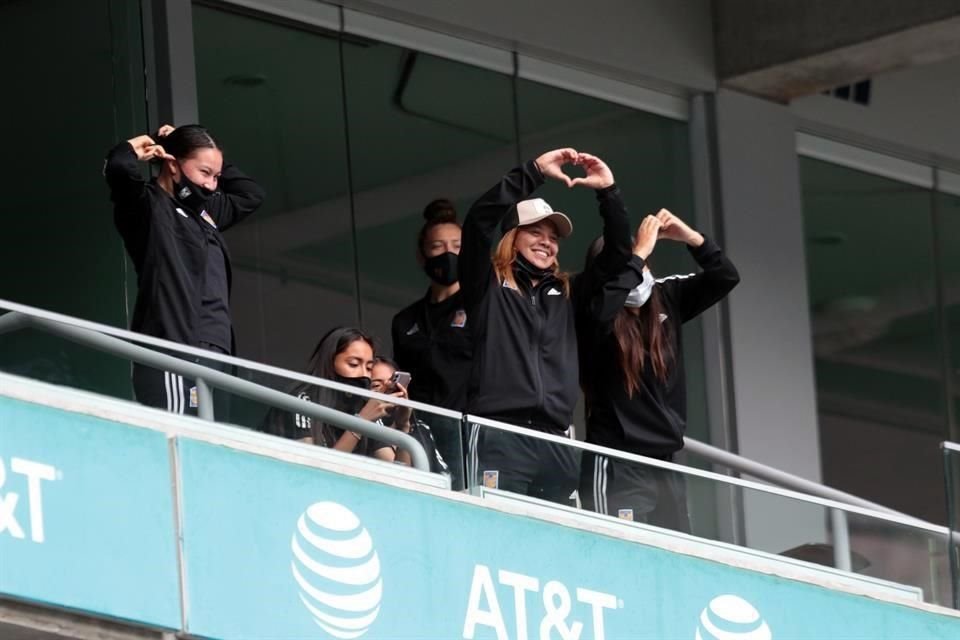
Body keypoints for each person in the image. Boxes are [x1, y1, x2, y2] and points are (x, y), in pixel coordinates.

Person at [460, 148, 632, 504]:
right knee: (496, 534)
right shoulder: (487, 286)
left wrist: (608, 191)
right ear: (512, 237)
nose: (547, 242)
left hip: (555, 441)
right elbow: (478, 222)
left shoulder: (569, 293)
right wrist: (534, 171)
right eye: (535, 232)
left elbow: (618, 255)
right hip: (499, 435)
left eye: (553, 238)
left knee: (548, 550)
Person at [577, 209, 740, 531]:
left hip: (665, 458)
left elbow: (726, 277)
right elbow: (599, 314)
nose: (638, 274)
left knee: (675, 550)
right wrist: (636, 252)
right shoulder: (593, 311)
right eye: (623, 267)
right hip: (617, 458)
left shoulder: (666, 296)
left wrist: (692, 238)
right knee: (620, 548)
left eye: (641, 265)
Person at [103, 124, 265, 415]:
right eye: (204, 173)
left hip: (216, 352)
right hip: (175, 348)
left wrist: (214, 161)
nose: (212, 185)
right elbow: (119, 168)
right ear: (172, 165)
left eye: (216, 176)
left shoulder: (205, 213)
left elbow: (250, 194)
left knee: (211, 451)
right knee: (181, 448)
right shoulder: (149, 207)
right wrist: (155, 141)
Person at [260, 327, 409, 462]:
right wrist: (360, 423)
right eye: (353, 364)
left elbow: (399, 474)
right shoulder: (303, 400)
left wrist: (403, 427)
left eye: (369, 368)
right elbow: (313, 473)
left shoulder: (364, 406)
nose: (364, 374)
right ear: (330, 363)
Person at [391, 199, 472, 412]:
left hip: (470, 430)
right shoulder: (405, 321)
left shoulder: (483, 306)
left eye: (458, 246)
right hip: (422, 431)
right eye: (437, 246)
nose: (449, 253)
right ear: (422, 255)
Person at [370, 356, 450, 474]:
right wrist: (404, 427)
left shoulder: (420, 427)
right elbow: (399, 476)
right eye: (377, 385)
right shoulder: (370, 422)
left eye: (394, 382)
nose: (389, 389)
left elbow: (444, 476)